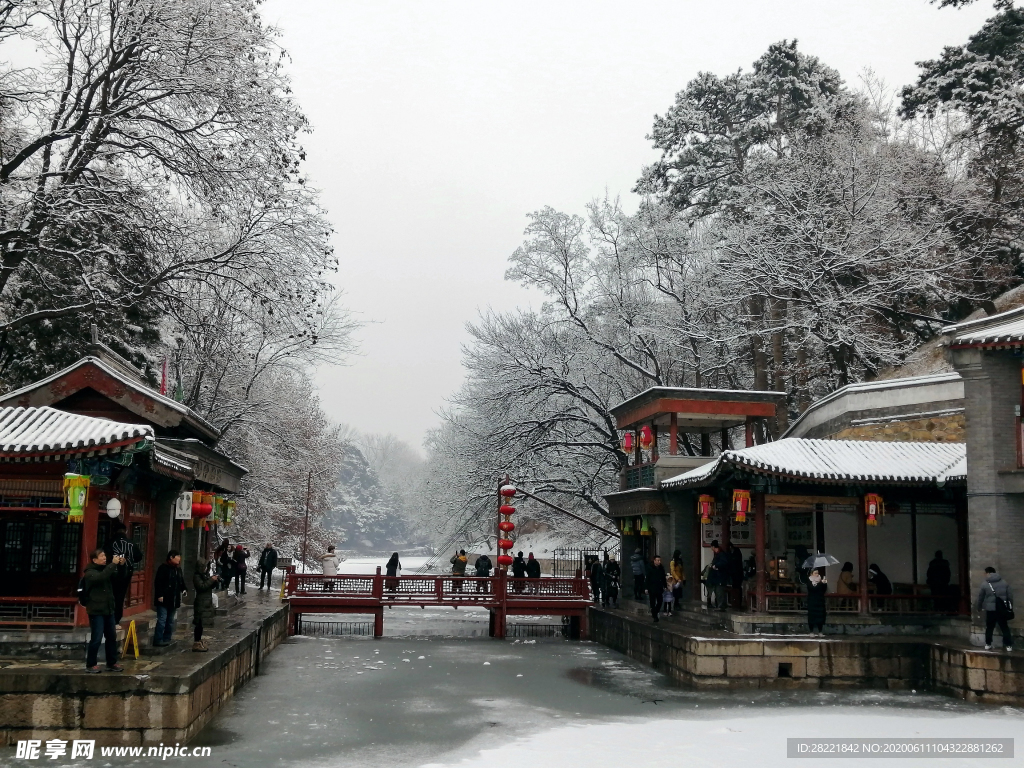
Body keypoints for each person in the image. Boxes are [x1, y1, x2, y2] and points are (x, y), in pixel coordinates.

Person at [83, 548, 126, 672]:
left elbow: (119, 579)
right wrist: (113, 564)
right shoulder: (90, 572)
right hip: (96, 610)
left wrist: (121, 565)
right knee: (96, 638)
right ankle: (91, 664)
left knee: (111, 637)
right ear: (94, 559)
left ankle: (112, 662)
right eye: (101, 556)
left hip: (108, 609)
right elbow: (100, 578)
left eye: (104, 556)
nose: (104, 558)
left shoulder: (106, 570)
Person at [104, 522, 141, 625]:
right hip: (125, 573)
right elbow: (139, 557)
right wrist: (129, 559)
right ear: (126, 531)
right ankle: (116, 619)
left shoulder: (110, 543)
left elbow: (104, 556)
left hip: (110, 573)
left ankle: (108, 618)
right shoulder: (131, 543)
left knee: (109, 595)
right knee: (120, 597)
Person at [153, 550, 187, 646]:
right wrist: (159, 595)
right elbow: (158, 583)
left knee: (170, 621)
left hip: (174, 599)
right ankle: (158, 640)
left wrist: (184, 589)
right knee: (162, 620)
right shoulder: (163, 568)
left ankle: (167, 638)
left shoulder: (177, 569)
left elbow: (181, 582)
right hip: (163, 599)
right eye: (177, 557)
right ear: (171, 557)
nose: (179, 559)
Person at [977, 566, 1014, 651]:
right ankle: (1008, 645)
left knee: (989, 627)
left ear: (988, 573)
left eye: (985, 573)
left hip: (990, 609)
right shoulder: (1004, 583)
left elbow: (980, 597)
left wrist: (979, 607)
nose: (985, 575)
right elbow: (1010, 596)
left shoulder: (985, 584)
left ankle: (988, 644)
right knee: (1004, 627)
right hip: (1001, 609)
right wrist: (1010, 607)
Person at [192, 557, 218, 652]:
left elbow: (208, 586)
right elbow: (202, 587)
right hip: (200, 602)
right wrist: (211, 580)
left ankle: (199, 641)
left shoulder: (205, 576)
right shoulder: (197, 576)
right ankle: (196, 642)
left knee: (202, 623)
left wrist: (215, 581)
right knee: (198, 623)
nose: (207, 569)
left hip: (206, 602)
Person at [708, 541, 731, 611]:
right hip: (716, 577)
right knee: (717, 591)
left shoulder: (721, 554)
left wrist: (716, 566)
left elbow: (724, 563)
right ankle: (719, 605)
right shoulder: (717, 554)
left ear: (713, 547)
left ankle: (721, 606)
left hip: (720, 576)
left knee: (719, 591)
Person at [806, 568, 828, 636]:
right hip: (812, 601)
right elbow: (811, 589)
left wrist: (824, 584)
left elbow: (823, 591)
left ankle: (820, 631)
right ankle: (811, 631)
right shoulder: (809, 581)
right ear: (811, 574)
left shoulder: (821, 581)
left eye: (817, 573)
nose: (817, 574)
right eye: (815, 573)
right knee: (812, 616)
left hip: (820, 601)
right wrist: (818, 584)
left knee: (820, 616)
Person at [646, 555, 668, 622]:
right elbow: (647, 578)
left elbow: (663, 578)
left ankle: (655, 611)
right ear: (654, 561)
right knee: (652, 602)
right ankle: (654, 615)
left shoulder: (661, 568)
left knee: (660, 601)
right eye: (658, 560)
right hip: (652, 587)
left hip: (659, 587)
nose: (659, 562)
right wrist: (646, 588)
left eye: (660, 560)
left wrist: (665, 586)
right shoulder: (650, 568)